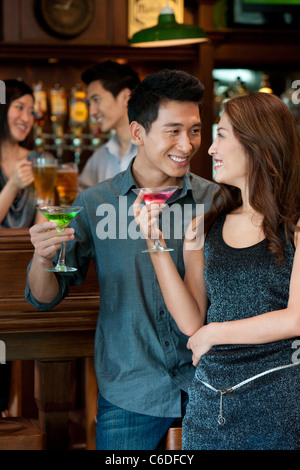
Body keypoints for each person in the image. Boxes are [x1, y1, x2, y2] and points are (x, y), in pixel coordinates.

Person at [25, 69, 218, 450]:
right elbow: (46, 297)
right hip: (130, 391)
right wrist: (41, 257)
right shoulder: (96, 203)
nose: (188, 143)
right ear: (138, 133)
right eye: (173, 130)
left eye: (195, 130)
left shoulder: (216, 201)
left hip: (209, 388)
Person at [134, 92, 300, 450]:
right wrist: (156, 244)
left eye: (221, 135)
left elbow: (296, 319)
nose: (208, 149)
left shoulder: (296, 226)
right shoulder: (204, 226)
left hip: (280, 400)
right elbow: (192, 322)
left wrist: (215, 333)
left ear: (258, 143)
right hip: (209, 401)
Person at [0, 78, 43, 417]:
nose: (26, 116)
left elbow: (47, 217)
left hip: (27, 272)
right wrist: (12, 185)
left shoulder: (40, 160)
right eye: (19, 107)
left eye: (31, 110)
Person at [78, 60, 140, 191]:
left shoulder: (158, 150)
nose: (92, 112)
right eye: (90, 103)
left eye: (96, 100)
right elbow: (80, 201)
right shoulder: (101, 156)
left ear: (125, 97)